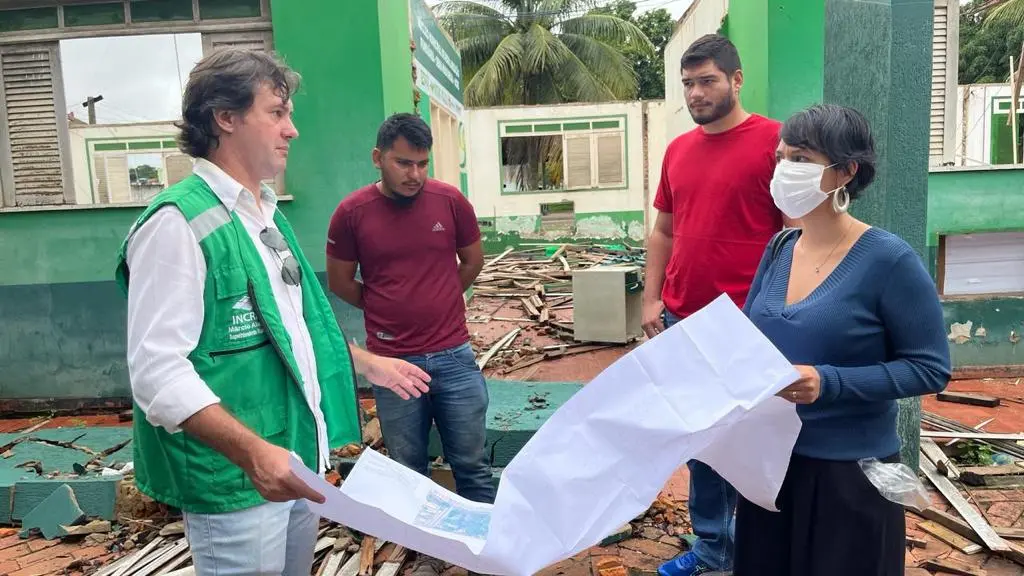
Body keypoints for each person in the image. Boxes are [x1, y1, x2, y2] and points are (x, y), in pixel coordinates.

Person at [115, 48, 430, 576]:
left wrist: (363, 362)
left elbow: (288, 327)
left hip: (290, 461)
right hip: (236, 479)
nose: (292, 130)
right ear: (226, 117)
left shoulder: (262, 212)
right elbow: (157, 373)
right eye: (277, 112)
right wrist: (252, 452)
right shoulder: (177, 224)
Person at [734, 104, 951, 575]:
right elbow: (748, 339)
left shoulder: (889, 260)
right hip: (769, 465)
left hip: (848, 475)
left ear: (846, 171)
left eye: (801, 159)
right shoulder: (780, 248)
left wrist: (828, 382)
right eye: (780, 157)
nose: (784, 171)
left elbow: (930, 368)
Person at [325, 113, 490, 576]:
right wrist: (385, 306)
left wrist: (440, 299)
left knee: (472, 464)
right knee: (408, 468)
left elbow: (472, 262)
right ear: (378, 158)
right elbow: (340, 281)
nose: (415, 174)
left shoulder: (450, 202)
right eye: (403, 163)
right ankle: (427, 559)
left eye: (422, 163)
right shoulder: (352, 213)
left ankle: (484, 554)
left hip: (454, 357)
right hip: (392, 364)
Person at [647, 34, 787, 576]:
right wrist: (651, 298)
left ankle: (760, 547)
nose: (696, 94)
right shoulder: (678, 151)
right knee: (701, 439)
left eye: (707, 81)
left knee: (756, 440)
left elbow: (794, 236)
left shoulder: (775, 143)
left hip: (751, 322)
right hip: (685, 317)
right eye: (688, 84)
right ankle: (713, 548)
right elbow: (663, 230)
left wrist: (783, 313)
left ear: (736, 79)